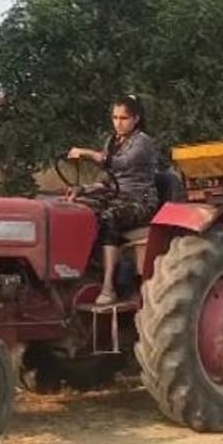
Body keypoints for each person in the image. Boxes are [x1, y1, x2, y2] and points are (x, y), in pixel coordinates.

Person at [66, 94, 159, 305]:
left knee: (109, 218)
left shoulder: (142, 142)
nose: (118, 123)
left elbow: (120, 164)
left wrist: (87, 153)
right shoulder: (112, 141)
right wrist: (83, 189)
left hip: (139, 201)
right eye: (115, 117)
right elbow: (108, 180)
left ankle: (109, 287)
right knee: (79, 212)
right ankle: (83, 276)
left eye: (123, 118)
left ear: (135, 119)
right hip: (116, 196)